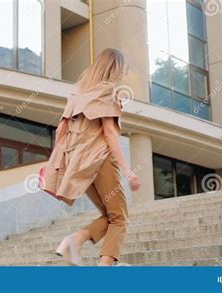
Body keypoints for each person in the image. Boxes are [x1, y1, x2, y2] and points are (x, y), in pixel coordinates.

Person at [40, 48, 140, 266]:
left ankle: (75, 241)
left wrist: (60, 165)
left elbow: (60, 132)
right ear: (116, 68)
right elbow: (109, 132)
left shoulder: (78, 93)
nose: (123, 74)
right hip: (100, 160)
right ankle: (100, 266)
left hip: (79, 163)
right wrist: (127, 170)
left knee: (111, 215)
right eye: (123, 69)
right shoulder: (108, 91)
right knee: (120, 218)